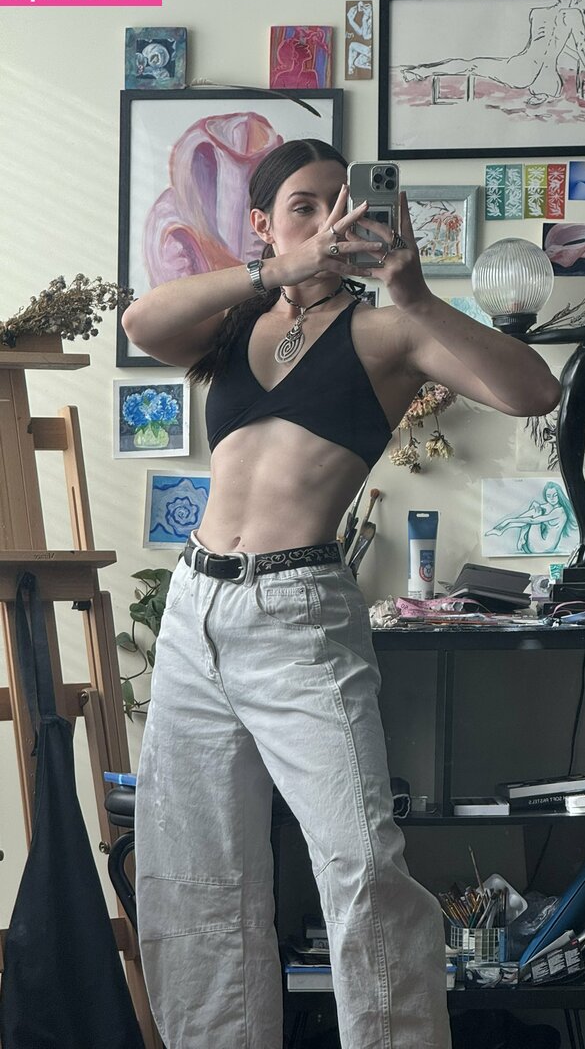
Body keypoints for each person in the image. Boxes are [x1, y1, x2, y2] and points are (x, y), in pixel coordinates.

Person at [123, 137, 560, 1049]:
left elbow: (532, 392)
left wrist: (415, 293)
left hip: (299, 615)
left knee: (361, 863)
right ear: (263, 224)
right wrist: (277, 272)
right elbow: (140, 323)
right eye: (305, 207)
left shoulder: (388, 331)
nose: (331, 222)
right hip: (195, 610)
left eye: (342, 202)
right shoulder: (232, 323)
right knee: (196, 875)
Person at [402, 0, 585, 105]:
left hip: (526, 70)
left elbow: (544, 43)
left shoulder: (539, 12)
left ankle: (422, 71)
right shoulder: (573, 15)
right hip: (543, 78)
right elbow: (581, 47)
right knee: (473, 65)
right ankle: (422, 71)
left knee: (472, 65)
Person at [486, 481, 577, 554]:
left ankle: (503, 530)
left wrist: (508, 521)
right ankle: (511, 533)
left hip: (544, 547)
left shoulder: (559, 511)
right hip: (537, 544)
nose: (552, 498)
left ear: (559, 495)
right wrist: (535, 505)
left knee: (537, 512)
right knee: (536, 509)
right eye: (548, 496)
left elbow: (532, 520)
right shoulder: (549, 506)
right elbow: (532, 514)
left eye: (555, 495)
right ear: (545, 496)